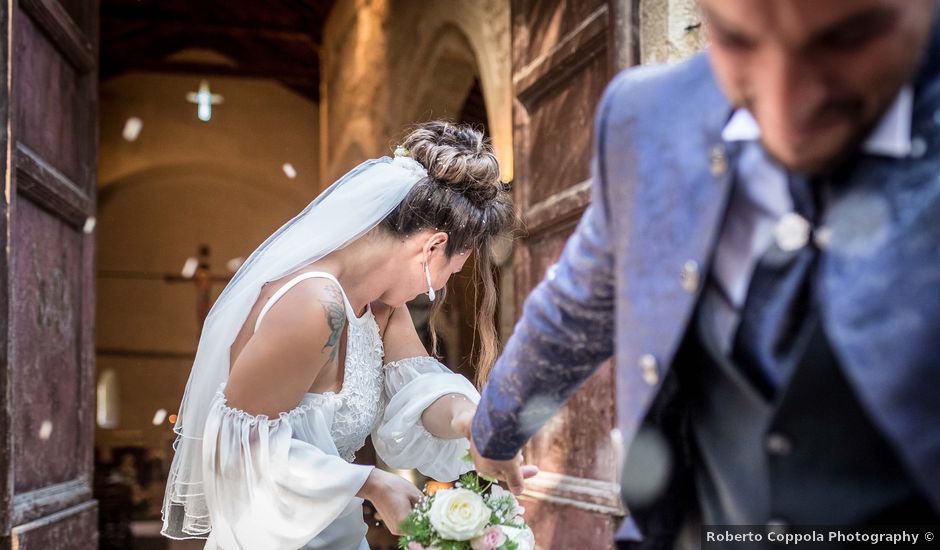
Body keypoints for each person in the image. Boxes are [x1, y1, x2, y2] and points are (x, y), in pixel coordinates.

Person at [470, 0, 940, 547]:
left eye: (848, 38)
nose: (787, 109)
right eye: (739, 40)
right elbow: (579, 307)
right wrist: (496, 429)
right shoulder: (648, 117)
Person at [160, 121, 531, 549]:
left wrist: (473, 422)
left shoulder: (380, 307)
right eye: (451, 269)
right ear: (432, 248)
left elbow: (423, 390)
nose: (441, 286)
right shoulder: (315, 306)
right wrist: (371, 484)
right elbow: (236, 451)